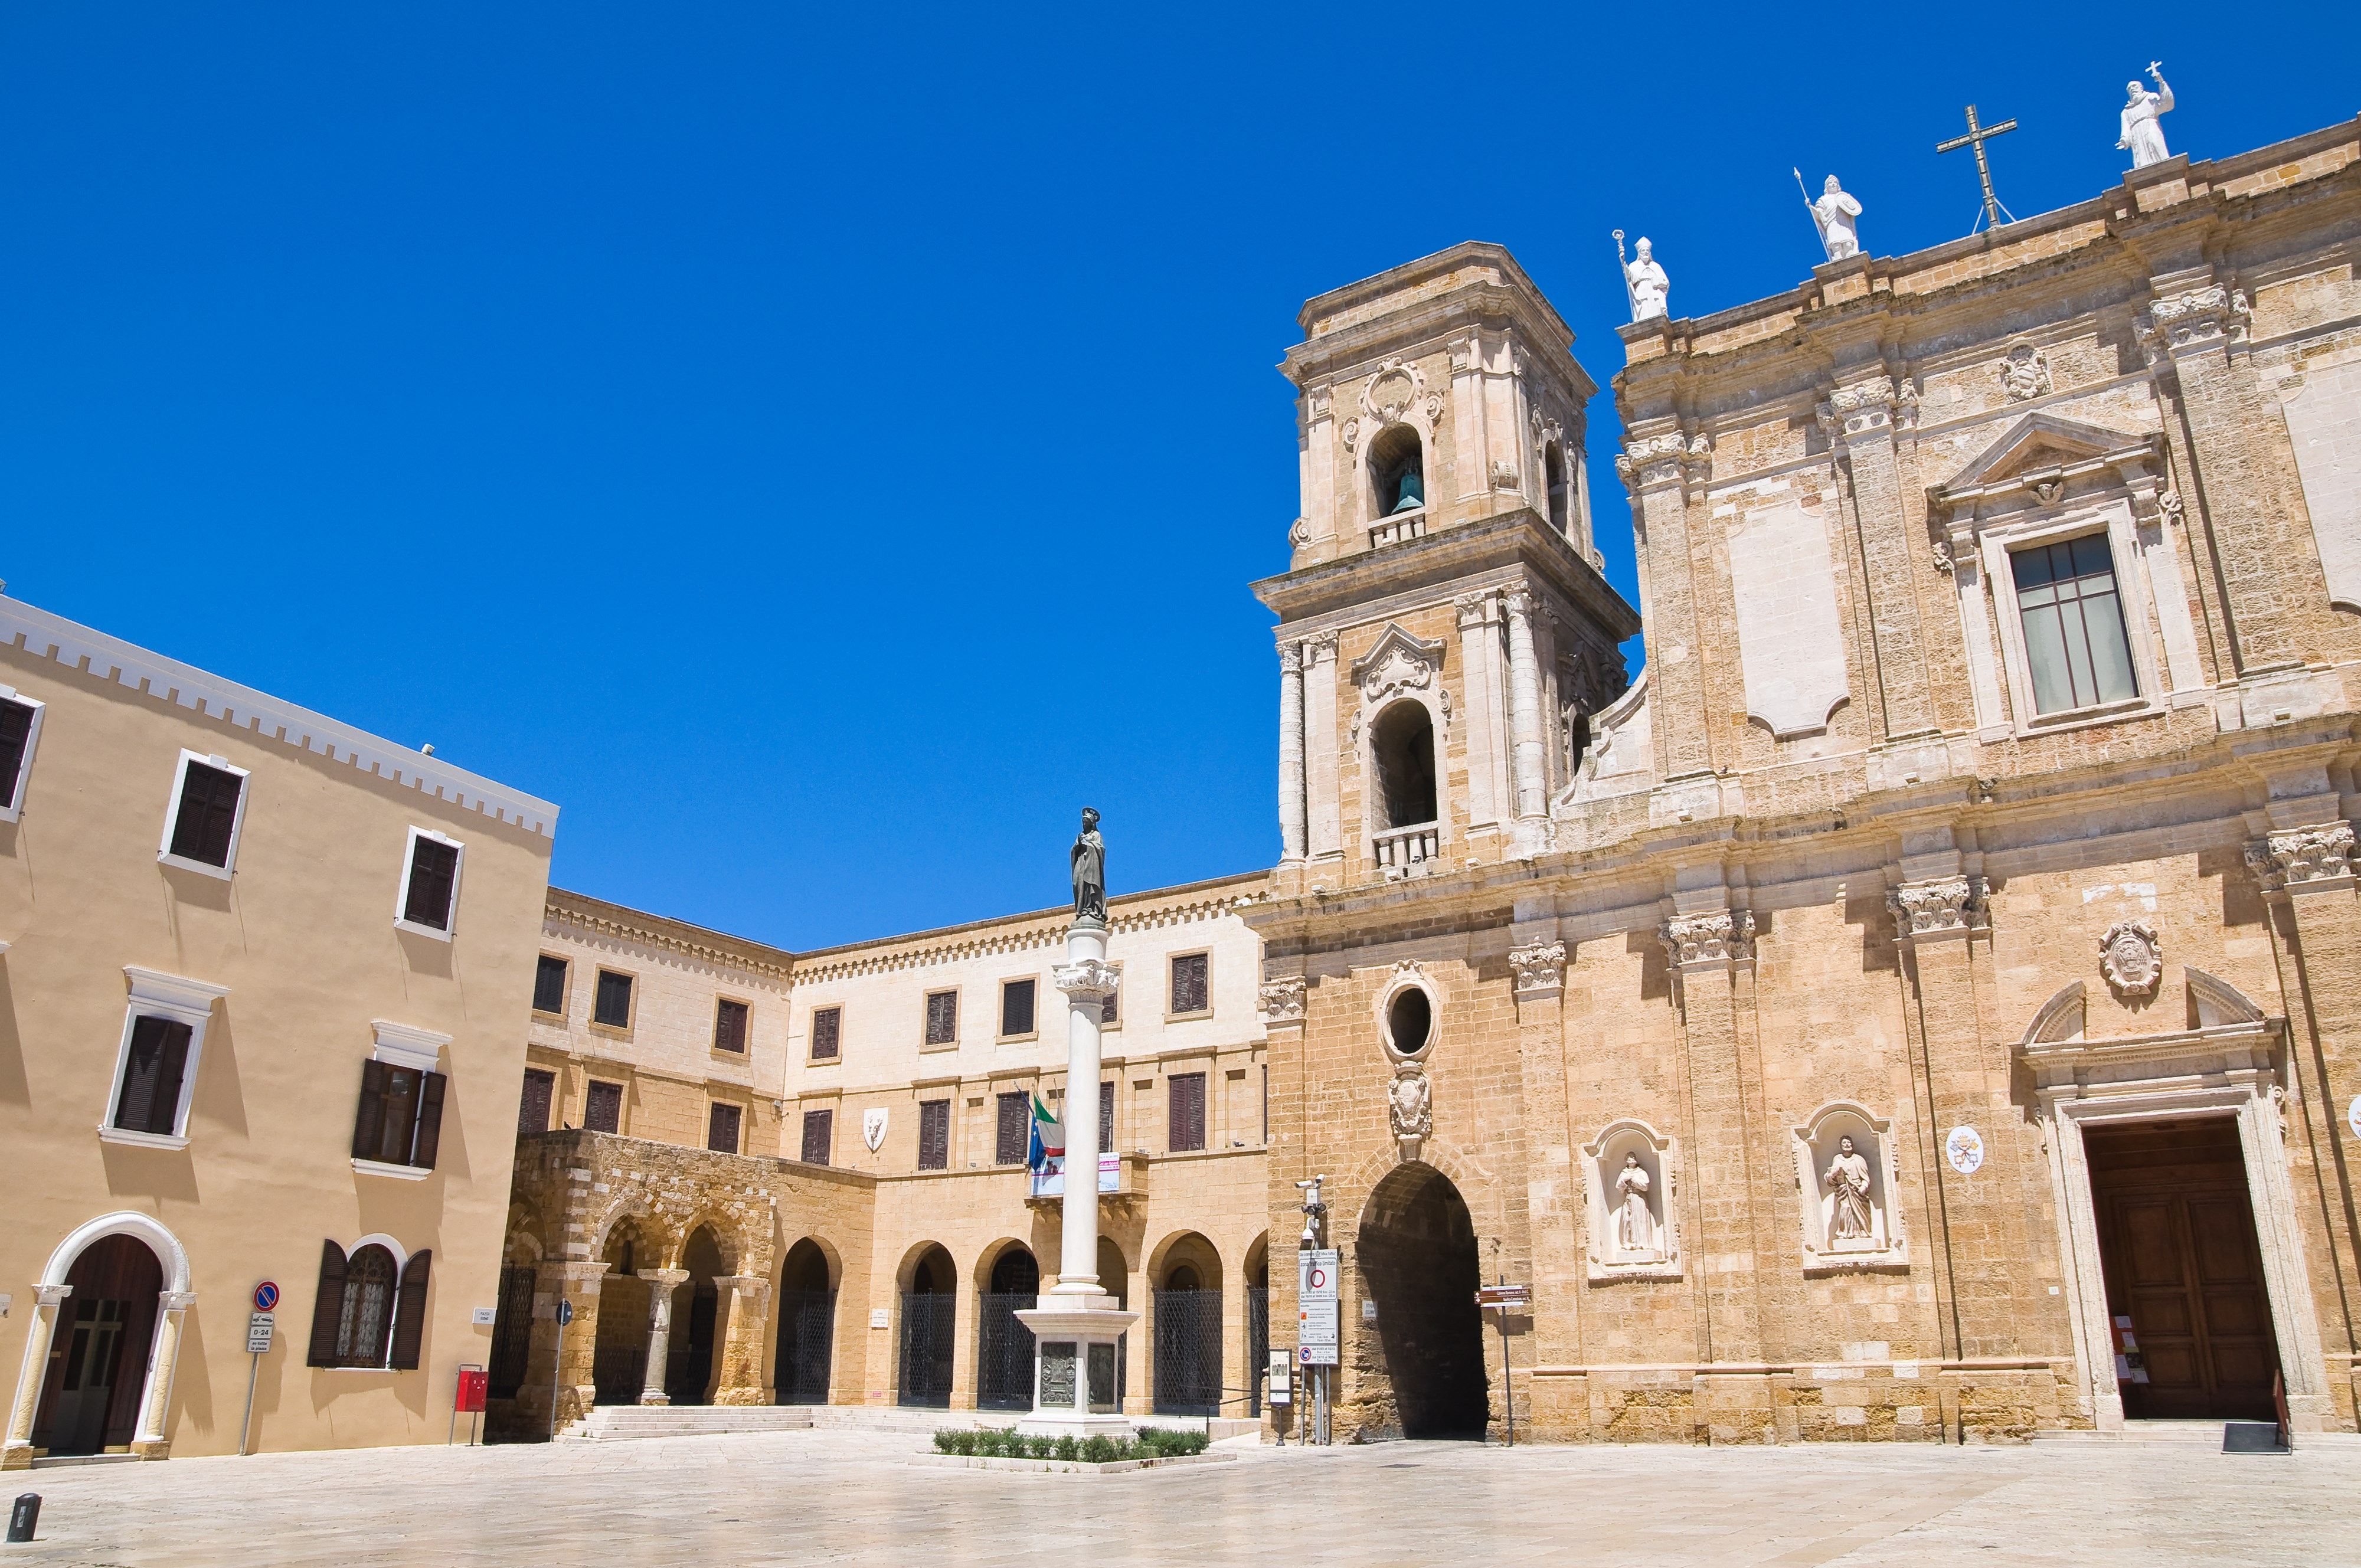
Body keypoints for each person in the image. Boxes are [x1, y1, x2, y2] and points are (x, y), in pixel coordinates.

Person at [2118, 64, 2174, 169]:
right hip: (2136, 133)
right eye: (2129, 89)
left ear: (2141, 88)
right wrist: (2124, 140)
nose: (2132, 89)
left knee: (2154, 142)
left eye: (2134, 87)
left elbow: (2166, 104)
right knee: (2140, 155)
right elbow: (2126, 128)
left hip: (2150, 125)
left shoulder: (2150, 97)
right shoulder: (2126, 111)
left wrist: (2161, 82)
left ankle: (2166, 167)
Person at [1824, 1135, 1873, 1242]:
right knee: (1846, 1209)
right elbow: (1830, 1176)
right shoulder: (1837, 1159)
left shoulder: (1859, 1159)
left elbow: (1865, 1177)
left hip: (1857, 1191)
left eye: (1848, 1143)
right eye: (1844, 1143)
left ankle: (1861, 1232)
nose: (1847, 1145)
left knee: (1860, 1211)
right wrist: (1832, 1174)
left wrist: (1864, 1187)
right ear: (1841, 1146)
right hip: (1843, 1190)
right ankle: (1845, 1233)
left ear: (1852, 1144)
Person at [1809, 175, 1863, 261]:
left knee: (1848, 245)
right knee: (1836, 246)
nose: (1833, 184)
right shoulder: (1823, 200)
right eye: (1831, 183)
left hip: (1845, 223)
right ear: (1827, 187)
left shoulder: (1844, 197)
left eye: (1835, 183)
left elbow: (1852, 209)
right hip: (1832, 224)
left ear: (1838, 186)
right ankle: (1838, 264)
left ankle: (1851, 262)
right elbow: (1819, 213)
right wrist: (1810, 207)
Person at [1070, 807, 1106, 923]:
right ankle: (1081, 908)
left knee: (1089, 885)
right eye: (1083, 822)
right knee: (1078, 884)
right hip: (1080, 862)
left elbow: (1100, 849)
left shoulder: (1096, 835)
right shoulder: (1080, 836)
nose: (1084, 824)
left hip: (1091, 864)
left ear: (1091, 823)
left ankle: (1090, 907)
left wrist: (1088, 845)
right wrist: (1077, 846)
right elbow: (1073, 850)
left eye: (1086, 822)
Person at [1615, 1153, 1656, 1253]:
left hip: (1639, 1198)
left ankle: (1640, 1244)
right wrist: (1624, 1181)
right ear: (1626, 1160)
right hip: (1628, 1198)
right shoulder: (1624, 1173)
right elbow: (1619, 1189)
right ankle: (1628, 1244)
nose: (1632, 1159)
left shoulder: (1641, 1172)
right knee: (1627, 1220)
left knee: (1639, 1220)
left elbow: (1645, 1187)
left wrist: (1634, 1180)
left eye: (1633, 1157)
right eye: (1629, 1158)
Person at [1626, 238, 1670, 322]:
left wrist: (1658, 282)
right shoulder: (1634, 265)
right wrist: (1625, 267)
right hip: (1642, 290)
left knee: (1656, 308)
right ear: (1639, 253)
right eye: (1643, 251)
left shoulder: (1655, 266)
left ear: (1650, 253)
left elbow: (1666, 282)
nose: (1645, 252)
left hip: (1655, 291)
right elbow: (1631, 279)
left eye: (1647, 251)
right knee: (1644, 308)